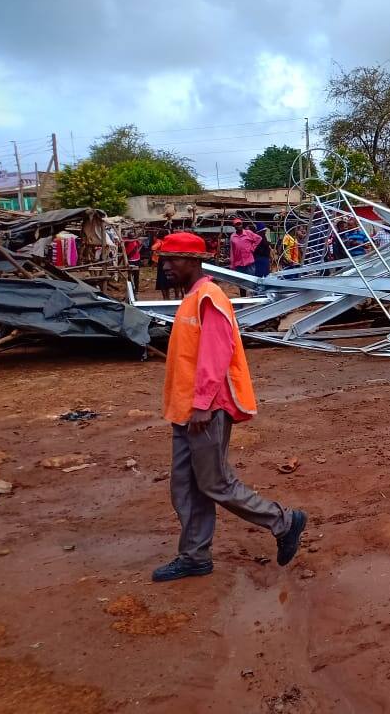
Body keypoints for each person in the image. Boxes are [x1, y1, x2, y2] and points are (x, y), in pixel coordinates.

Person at [152, 232, 307, 582]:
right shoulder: (192, 298)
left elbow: (215, 355)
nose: (167, 267)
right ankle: (194, 556)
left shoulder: (211, 297)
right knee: (186, 486)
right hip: (184, 410)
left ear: (194, 262)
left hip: (206, 409)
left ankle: (284, 522)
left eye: (173, 259)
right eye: (165, 259)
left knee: (215, 482)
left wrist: (203, 404)